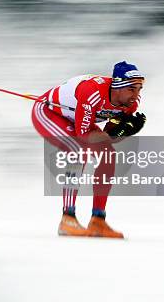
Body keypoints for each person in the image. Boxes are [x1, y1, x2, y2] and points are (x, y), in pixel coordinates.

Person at [31, 61, 146, 238]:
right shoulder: (91, 92)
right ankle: (67, 218)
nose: (136, 94)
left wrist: (124, 130)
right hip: (49, 113)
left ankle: (98, 220)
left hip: (77, 120)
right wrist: (119, 132)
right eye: (132, 89)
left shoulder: (131, 102)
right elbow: (84, 136)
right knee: (77, 149)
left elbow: (109, 135)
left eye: (139, 88)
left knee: (108, 155)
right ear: (117, 87)